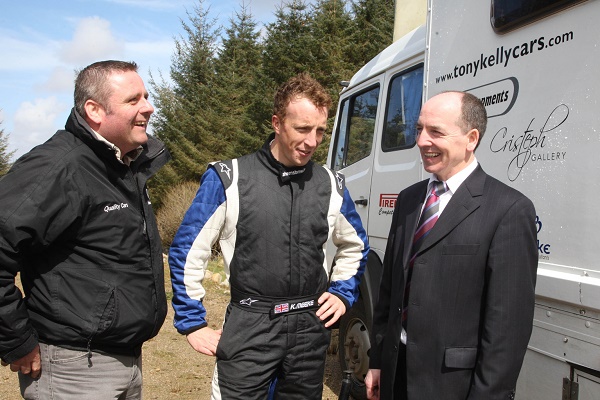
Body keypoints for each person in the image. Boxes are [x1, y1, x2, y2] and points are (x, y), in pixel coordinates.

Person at [169, 72, 369, 400]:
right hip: (250, 324)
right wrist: (193, 322)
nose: (312, 141)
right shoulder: (229, 178)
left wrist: (343, 292)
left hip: (309, 328)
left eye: (320, 130)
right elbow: (188, 250)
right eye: (302, 129)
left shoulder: (331, 184)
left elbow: (356, 244)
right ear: (277, 123)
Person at [0, 60, 170, 399]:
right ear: (94, 110)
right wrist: (16, 339)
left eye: (147, 97)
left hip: (125, 360)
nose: (148, 107)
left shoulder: (125, 166)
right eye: (133, 99)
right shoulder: (58, 167)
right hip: (72, 369)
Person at [365, 91, 538, 400]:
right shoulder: (408, 199)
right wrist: (377, 361)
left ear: (471, 138)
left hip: (452, 386)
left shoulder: (509, 210)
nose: (420, 141)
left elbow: (507, 330)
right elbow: (389, 292)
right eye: (419, 129)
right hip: (395, 375)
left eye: (435, 132)